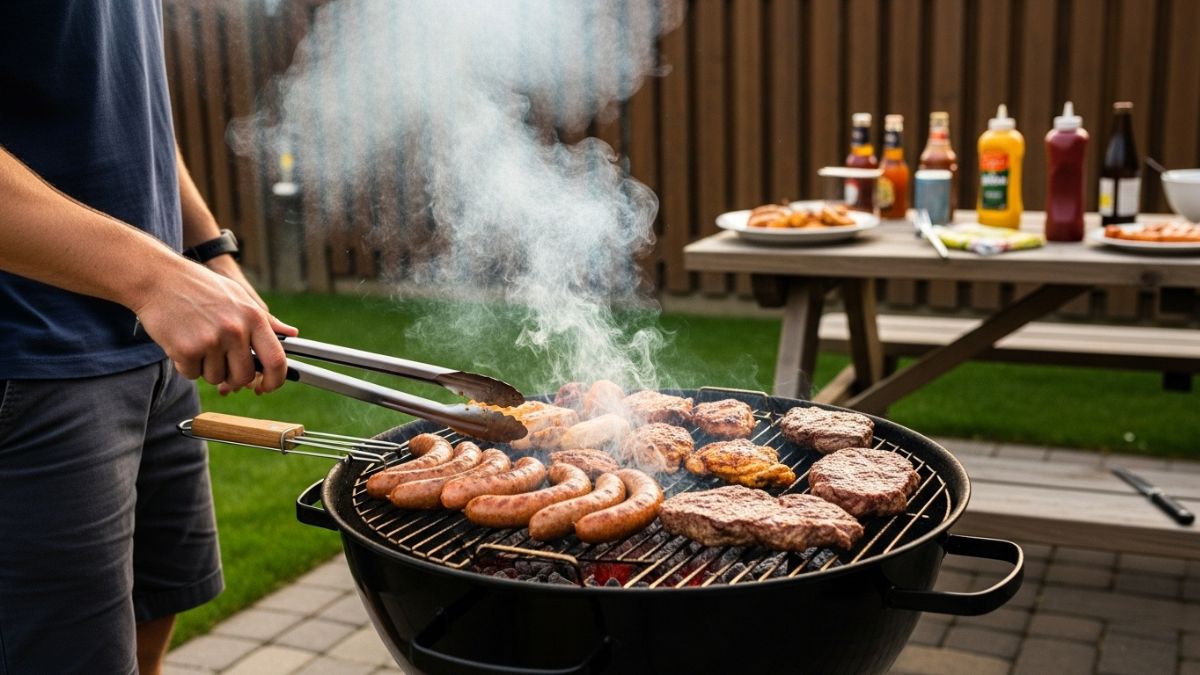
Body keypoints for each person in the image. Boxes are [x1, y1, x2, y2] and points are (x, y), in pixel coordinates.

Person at [0, 3, 295, 673]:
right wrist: (153, 276)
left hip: (153, 347)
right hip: (34, 362)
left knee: (143, 641)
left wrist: (207, 249)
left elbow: (128, 102)